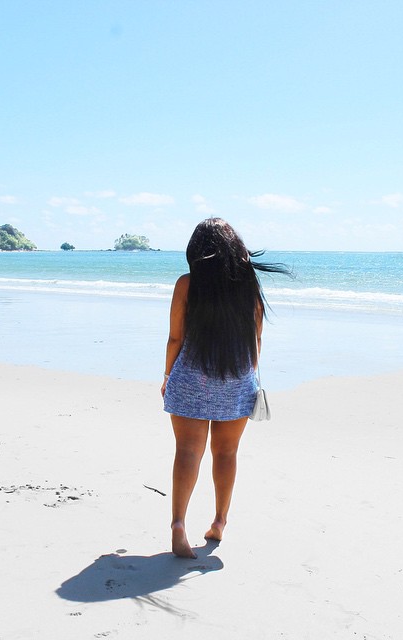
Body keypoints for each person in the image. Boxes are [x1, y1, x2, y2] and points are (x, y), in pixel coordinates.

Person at [161, 218, 291, 558]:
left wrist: (167, 375)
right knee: (227, 453)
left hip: (190, 378)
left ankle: (178, 524)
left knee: (187, 451)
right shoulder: (248, 286)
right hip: (236, 376)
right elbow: (256, 339)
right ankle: (219, 521)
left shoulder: (187, 284)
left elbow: (175, 337)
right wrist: (248, 376)